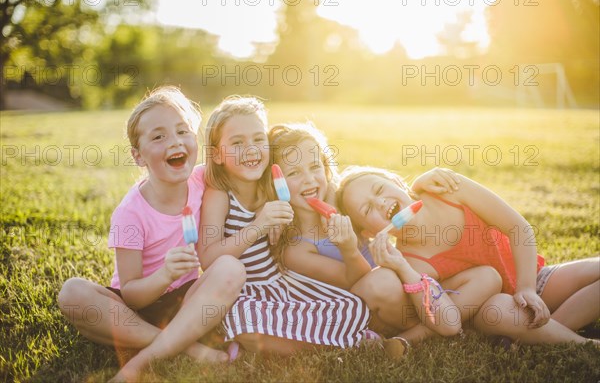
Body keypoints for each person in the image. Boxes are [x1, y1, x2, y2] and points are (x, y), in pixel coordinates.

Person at [58, 87, 246, 382]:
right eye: (158, 137)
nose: (175, 142)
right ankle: (188, 348)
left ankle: (156, 348)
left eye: (182, 131)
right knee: (72, 293)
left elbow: (239, 166)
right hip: (137, 307)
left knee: (231, 268)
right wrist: (165, 275)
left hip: (186, 301)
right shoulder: (130, 214)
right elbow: (131, 296)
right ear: (138, 155)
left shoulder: (202, 179)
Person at [267, 123, 503, 345]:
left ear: (326, 168)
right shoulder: (296, 249)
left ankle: (453, 321)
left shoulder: (335, 198)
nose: (309, 179)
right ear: (276, 183)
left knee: (487, 276)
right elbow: (357, 281)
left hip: (407, 282)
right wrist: (348, 249)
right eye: (294, 173)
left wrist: (417, 185)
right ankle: (417, 336)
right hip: (376, 301)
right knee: (384, 281)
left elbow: (385, 202)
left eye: (314, 166)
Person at [337, 165, 600, 345]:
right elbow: (443, 318)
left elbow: (518, 228)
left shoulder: (450, 190)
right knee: (498, 308)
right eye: (367, 208)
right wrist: (401, 266)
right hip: (494, 309)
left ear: (395, 182)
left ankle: (547, 330)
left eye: (380, 190)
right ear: (369, 232)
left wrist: (528, 288)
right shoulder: (411, 261)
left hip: (531, 279)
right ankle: (584, 344)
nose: (380, 202)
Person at [199, 96, 371, 356]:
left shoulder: (269, 186)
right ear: (217, 154)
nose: (251, 150)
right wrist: (258, 226)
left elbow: (316, 181)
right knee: (242, 318)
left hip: (282, 286)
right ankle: (340, 342)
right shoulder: (221, 194)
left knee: (350, 305)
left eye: (259, 139)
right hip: (242, 293)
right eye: (237, 143)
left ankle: (345, 336)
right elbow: (207, 258)